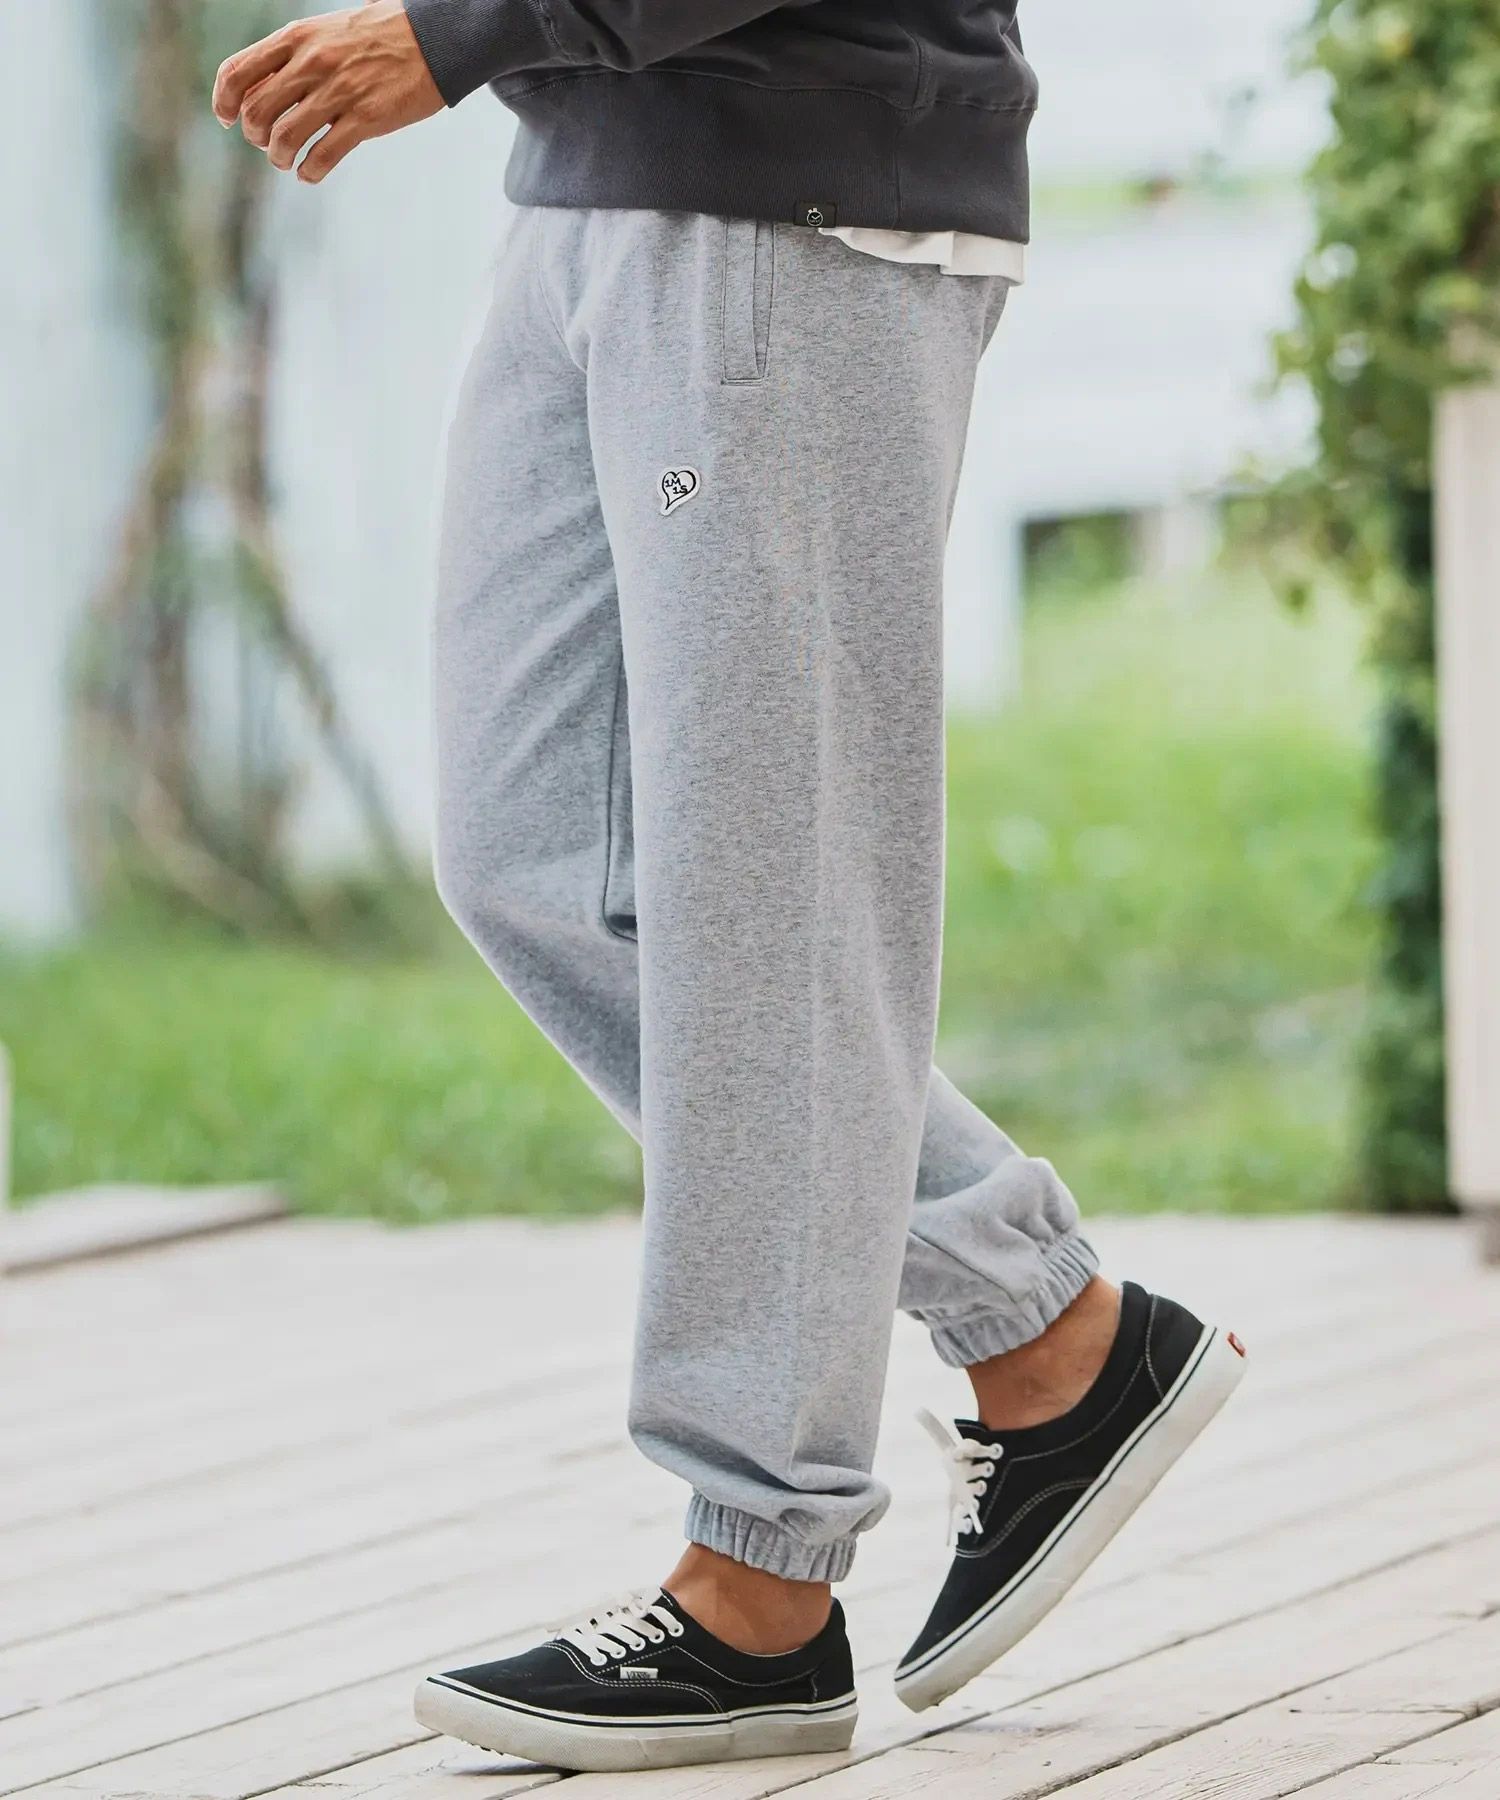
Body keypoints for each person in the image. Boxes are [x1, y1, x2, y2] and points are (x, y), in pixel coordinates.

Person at [213, 0, 1247, 1775]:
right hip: (587, 179)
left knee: (766, 904)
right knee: (541, 860)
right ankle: (1045, 1328)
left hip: (799, 198)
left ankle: (759, 1580)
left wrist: (463, 32)